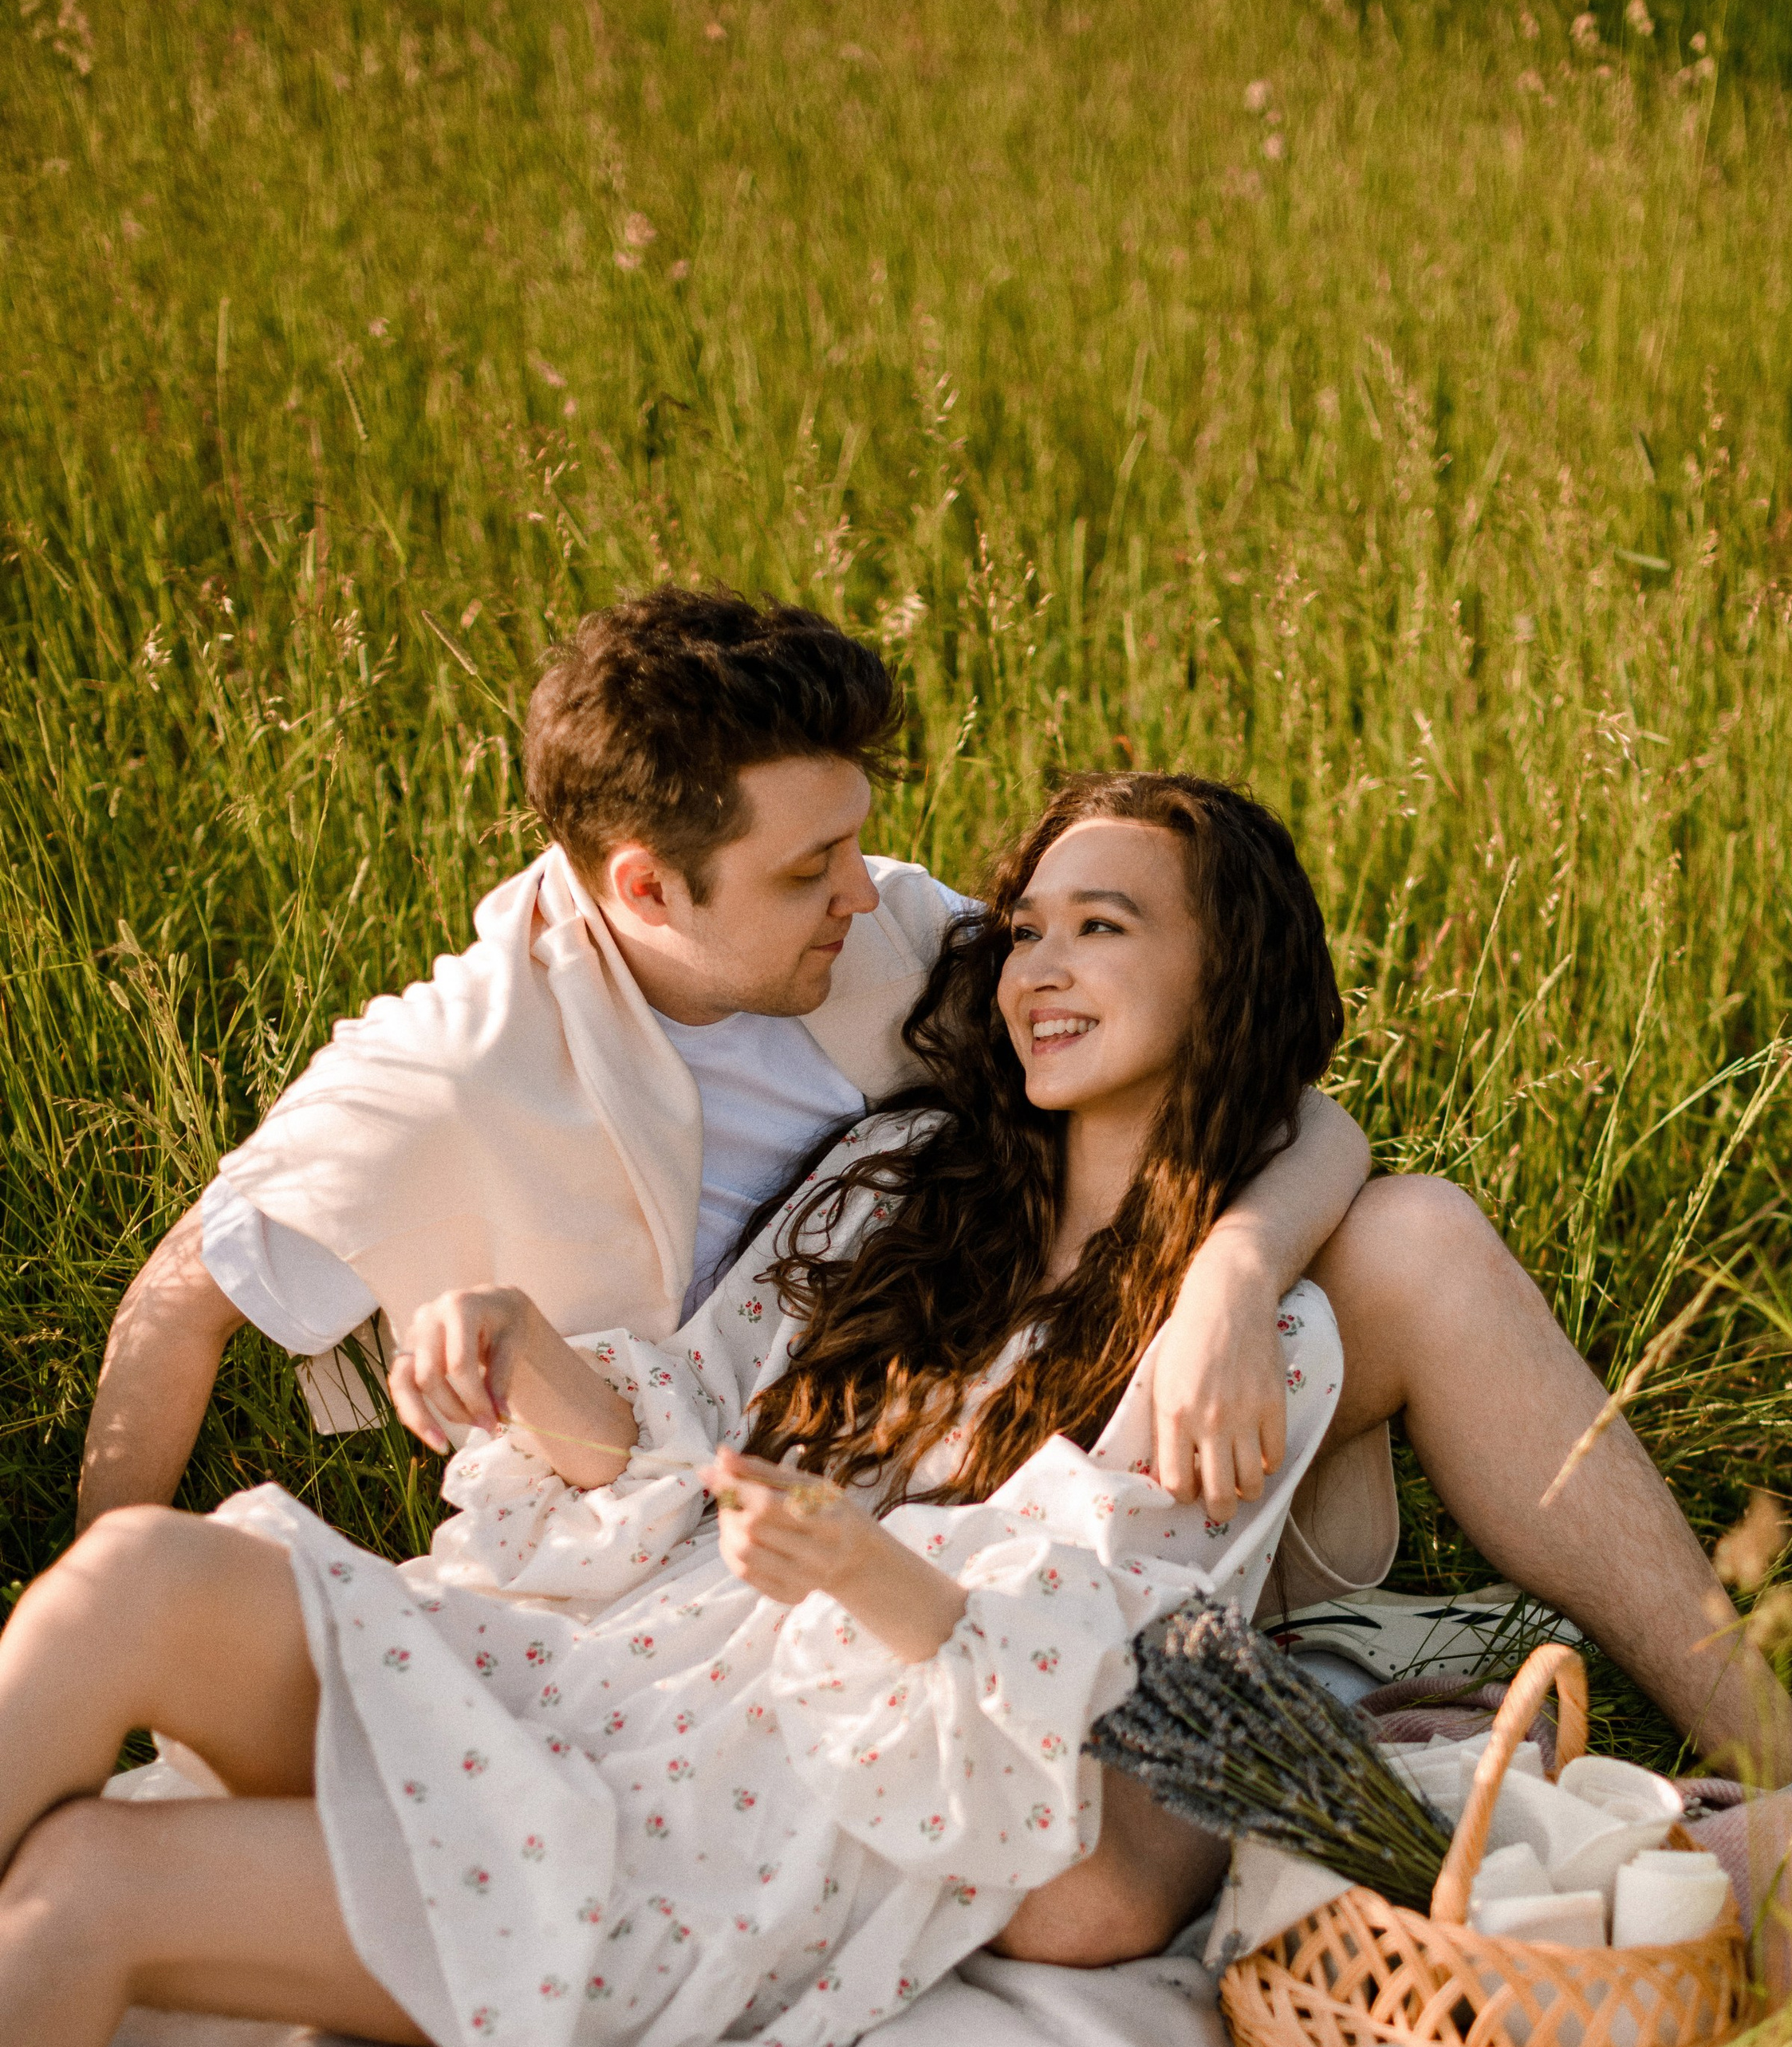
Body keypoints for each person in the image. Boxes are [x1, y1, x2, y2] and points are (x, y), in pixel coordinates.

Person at [0, 774, 1364, 2047]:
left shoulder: (1247, 1349)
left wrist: (862, 1567)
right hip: (585, 1663)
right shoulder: (901, 1177)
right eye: (1028, 931)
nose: (1041, 969)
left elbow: (1083, 1691)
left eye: (1103, 927)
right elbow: (680, 1448)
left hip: (724, 1828)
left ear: (1228, 974)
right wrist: (521, 1346)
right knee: (129, 1577)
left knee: (98, 1879)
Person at [73, 589, 1371, 1538]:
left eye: (855, 841)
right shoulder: (453, 1069)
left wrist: (1233, 1279)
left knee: (1408, 1230)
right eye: (808, 869)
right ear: (647, 887)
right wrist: (99, 1569)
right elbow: (181, 1300)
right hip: (669, 1494)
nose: (863, 889)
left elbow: (1263, 1095)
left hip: (995, 1437)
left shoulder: (884, 937)